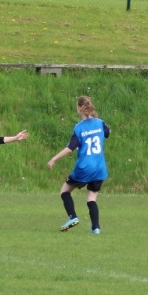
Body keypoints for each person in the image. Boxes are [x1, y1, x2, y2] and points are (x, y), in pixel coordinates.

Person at [47, 96, 109, 234]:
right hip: (99, 168)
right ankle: (96, 228)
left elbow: (70, 148)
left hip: (84, 168)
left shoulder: (79, 128)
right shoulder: (100, 122)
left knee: (65, 191)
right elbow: (107, 133)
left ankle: (73, 217)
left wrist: (53, 159)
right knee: (92, 197)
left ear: (80, 108)